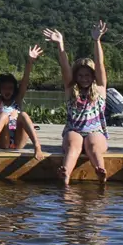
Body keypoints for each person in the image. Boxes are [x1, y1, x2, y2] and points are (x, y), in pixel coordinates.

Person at [45, 22, 110, 186]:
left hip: (96, 131)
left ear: (93, 76)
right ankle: (66, 174)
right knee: (73, 144)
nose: (84, 79)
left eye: (87, 75)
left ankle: (100, 171)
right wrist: (60, 45)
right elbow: (65, 67)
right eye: (80, 75)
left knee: (93, 146)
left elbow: (100, 64)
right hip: (74, 130)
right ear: (76, 77)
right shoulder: (71, 90)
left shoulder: (100, 89)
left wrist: (97, 41)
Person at [0, 46, 47, 160]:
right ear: (0, 89)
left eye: (10, 88)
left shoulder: (17, 100)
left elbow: (25, 80)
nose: (7, 91)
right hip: (4, 141)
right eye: (4, 88)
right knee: (3, 115)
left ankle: (37, 146)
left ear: (14, 89)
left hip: (18, 140)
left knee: (23, 114)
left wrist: (30, 62)